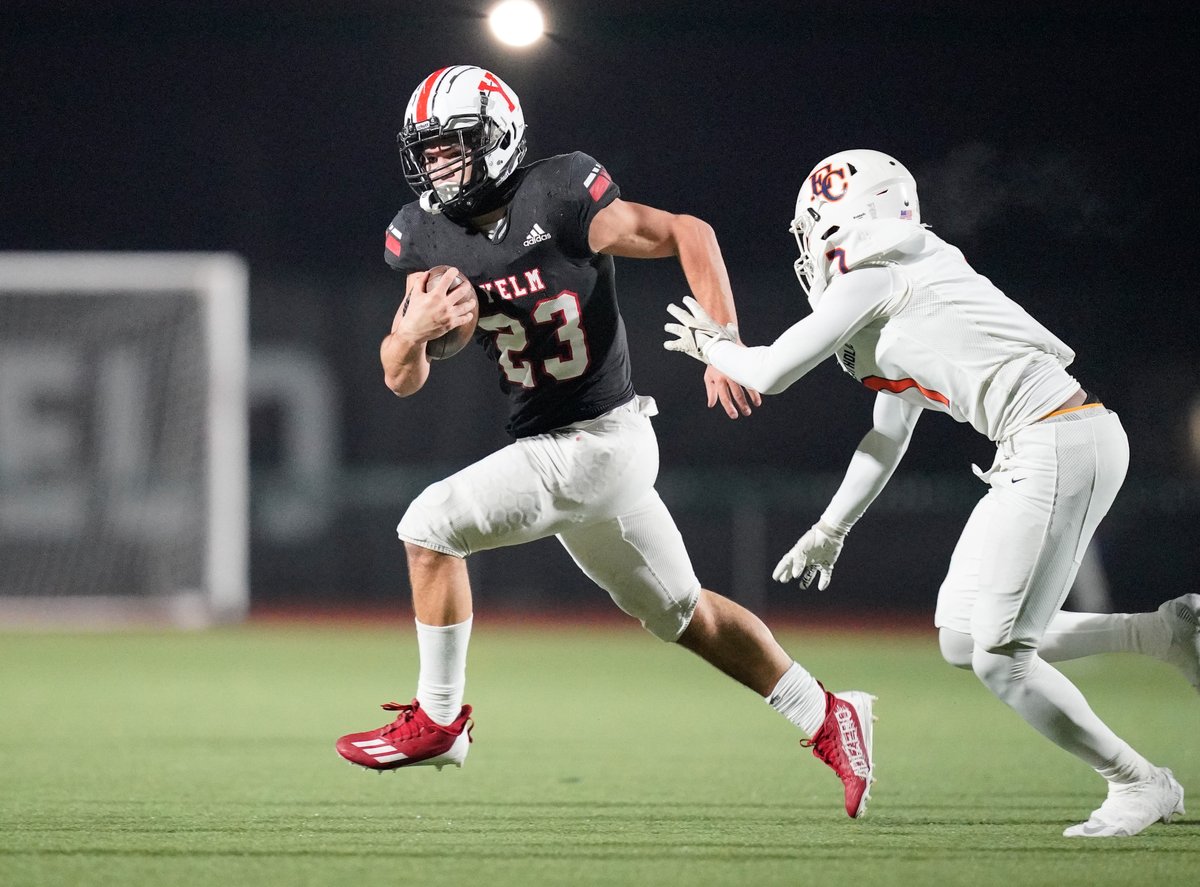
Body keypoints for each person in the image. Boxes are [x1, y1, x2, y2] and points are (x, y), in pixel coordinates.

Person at [334, 66, 878, 818]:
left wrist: (722, 343)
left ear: (499, 139)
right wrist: (413, 332)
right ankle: (828, 715)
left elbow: (691, 231)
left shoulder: (559, 196)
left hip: (601, 440)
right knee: (685, 614)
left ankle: (441, 717)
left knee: (429, 526)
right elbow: (402, 377)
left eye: (455, 147)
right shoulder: (424, 236)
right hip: (571, 452)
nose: (440, 167)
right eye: (429, 152)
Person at [663, 148, 1198, 838]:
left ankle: (1139, 781)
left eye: (814, 227)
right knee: (962, 635)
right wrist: (832, 527)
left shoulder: (879, 277)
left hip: (1055, 439)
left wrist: (713, 347)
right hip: (1047, 441)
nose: (810, 249)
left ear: (845, 218)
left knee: (1000, 655)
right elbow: (888, 432)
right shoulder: (908, 275)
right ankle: (1165, 633)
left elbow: (770, 372)